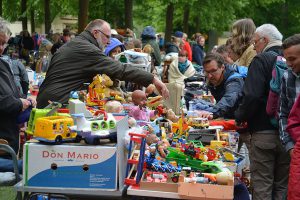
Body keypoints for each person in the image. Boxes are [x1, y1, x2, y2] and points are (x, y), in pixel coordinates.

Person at [37, 19, 169, 108]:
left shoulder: (75, 44)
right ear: (95, 33)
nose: (108, 42)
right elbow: (120, 69)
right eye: (107, 37)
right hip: (57, 103)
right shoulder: (87, 49)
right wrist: (153, 79)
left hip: (49, 99)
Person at [235, 24, 290, 200]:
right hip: (289, 135)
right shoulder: (291, 59)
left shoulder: (261, 60)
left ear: (265, 40)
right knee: (282, 186)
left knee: (262, 185)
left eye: (255, 42)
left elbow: (251, 96)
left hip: (263, 132)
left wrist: (240, 117)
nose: (253, 47)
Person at [0, 17, 36, 173]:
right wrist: (20, 104)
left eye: (3, 43)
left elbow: (12, 92)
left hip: (8, 138)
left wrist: (24, 99)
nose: (1, 48)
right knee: (27, 167)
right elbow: (3, 102)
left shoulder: (3, 63)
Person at [196, 53, 244, 120]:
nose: (210, 76)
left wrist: (213, 112)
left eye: (213, 71)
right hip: (229, 118)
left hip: (243, 122)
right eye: (207, 72)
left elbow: (229, 98)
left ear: (222, 67)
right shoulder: (212, 79)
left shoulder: (234, 80)